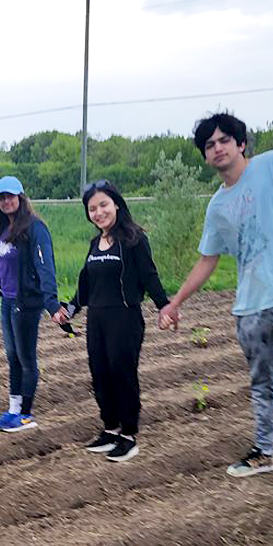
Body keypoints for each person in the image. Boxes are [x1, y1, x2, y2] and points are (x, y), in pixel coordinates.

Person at [157, 112, 273, 489]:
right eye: (209, 145)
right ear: (205, 156)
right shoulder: (217, 207)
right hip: (250, 303)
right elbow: (208, 260)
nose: (217, 148)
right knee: (261, 381)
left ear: (240, 143)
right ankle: (265, 452)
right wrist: (176, 302)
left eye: (223, 140)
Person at [67, 180, 170, 462]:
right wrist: (71, 307)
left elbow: (150, 275)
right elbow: (85, 283)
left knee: (122, 373)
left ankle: (128, 435)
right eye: (92, 208)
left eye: (103, 205)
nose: (98, 212)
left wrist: (165, 306)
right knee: (100, 373)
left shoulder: (133, 238)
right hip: (97, 318)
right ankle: (110, 428)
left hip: (124, 317)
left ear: (116, 204)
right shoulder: (94, 243)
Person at [0, 176, 64, 432]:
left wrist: (51, 302)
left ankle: (26, 415)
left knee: (26, 358)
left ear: (21, 197)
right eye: (1, 198)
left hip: (27, 302)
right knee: (12, 356)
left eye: (10, 196)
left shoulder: (35, 228)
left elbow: (45, 266)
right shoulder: (0, 229)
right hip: (7, 301)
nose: (6, 201)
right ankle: (14, 409)